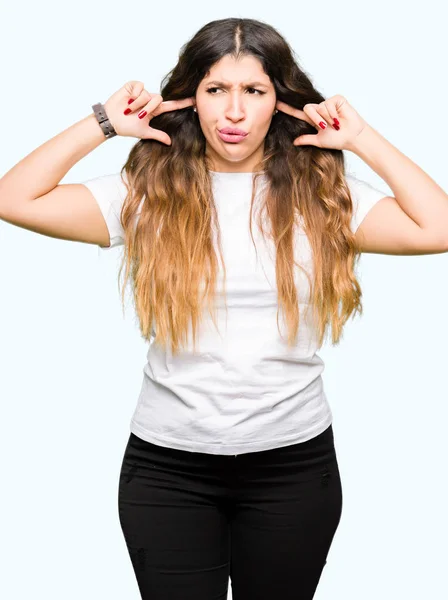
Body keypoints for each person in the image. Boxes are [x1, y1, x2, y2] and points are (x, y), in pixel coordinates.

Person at [1, 16, 447, 600]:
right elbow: (13, 198)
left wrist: (360, 137)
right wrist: (105, 124)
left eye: (254, 91)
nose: (233, 112)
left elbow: (438, 227)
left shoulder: (324, 198)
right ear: (191, 97)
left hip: (292, 468)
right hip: (168, 470)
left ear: (280, 103)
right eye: (216, 90)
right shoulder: (145, 193)